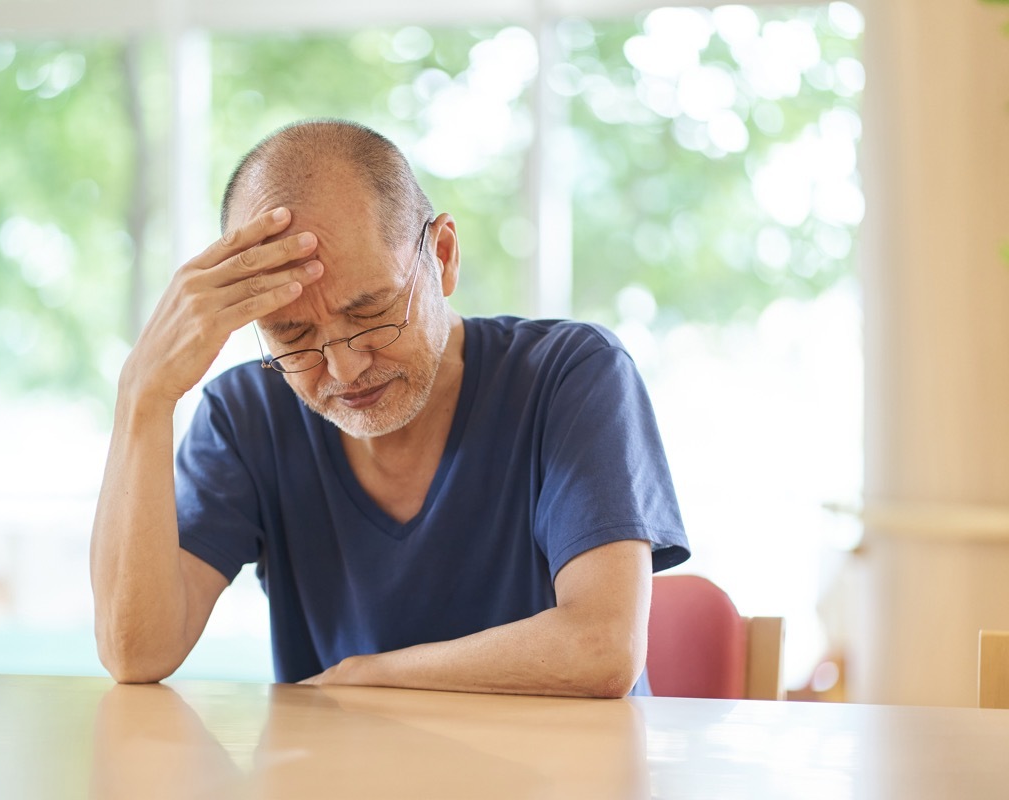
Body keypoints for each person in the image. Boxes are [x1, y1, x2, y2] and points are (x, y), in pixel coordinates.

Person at [90, 119, 690, 697]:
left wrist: (363, 677)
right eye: (292, 336)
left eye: (372, 313)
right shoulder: (246, 415)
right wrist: (143, 394)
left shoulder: (571, 375)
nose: (343, 369)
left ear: (443, 256)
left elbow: (601, 647)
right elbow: (136, 653)